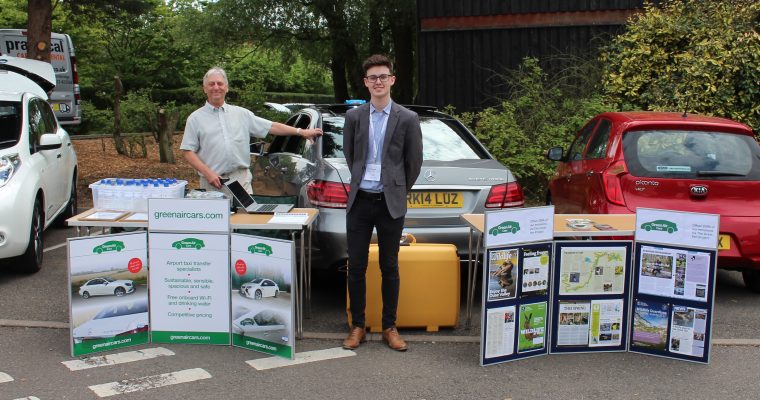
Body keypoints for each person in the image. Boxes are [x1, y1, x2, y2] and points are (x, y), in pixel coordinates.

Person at [341, 54, 423, 352]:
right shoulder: (354, 117)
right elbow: (351, 157)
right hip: (360, 201)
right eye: (372, 77)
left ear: (392, 80)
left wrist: (397, 188)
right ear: (365, 82)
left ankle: (390, 326)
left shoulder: (408, 118)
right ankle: (358, 326)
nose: (378, 82)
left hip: (391, 202)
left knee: (390, 266)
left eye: (382, 76)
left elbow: (413, 162)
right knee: (357, 266)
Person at [181, 66, 322, 193]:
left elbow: (271, 126)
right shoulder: (195, 119)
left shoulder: (242, 114)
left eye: (220, 83)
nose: (216, 87)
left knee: (245, 220)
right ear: (205, 89)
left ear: (227, 87)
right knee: (215, 222)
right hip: (212, 183)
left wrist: (301, 132)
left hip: (241, 181)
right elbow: (188, 151)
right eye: (211, 84)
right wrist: (207, 173)